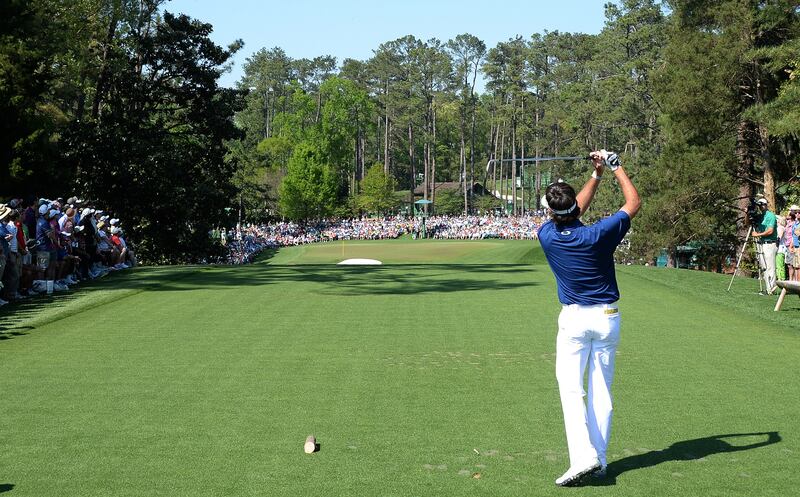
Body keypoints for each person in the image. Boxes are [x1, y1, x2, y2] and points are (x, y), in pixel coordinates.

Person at [537, 150, 640, 487]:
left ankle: (584, 457)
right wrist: (611, 167)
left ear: (551, 212)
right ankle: (600, 458)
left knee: (571, 390)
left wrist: (594, 177)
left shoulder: (547, 236)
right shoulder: (597, 234)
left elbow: (572, 208)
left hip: (575, 321)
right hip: (607, 318)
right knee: (601, 392)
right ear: (575, 210)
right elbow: (633, 202)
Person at [751, 198, 778, 295]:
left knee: (770, 267)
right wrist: (748, 214)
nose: (761, 207)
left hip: (770, 243)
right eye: (760, 205)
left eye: (762, 205)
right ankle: (768, 288)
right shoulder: (760, 216)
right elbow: (747, 223)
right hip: (762, 244)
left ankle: (772, 288)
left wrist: (757, 235)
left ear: (766, 205)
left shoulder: (771, 216)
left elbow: (770, 231)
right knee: (764, 267)